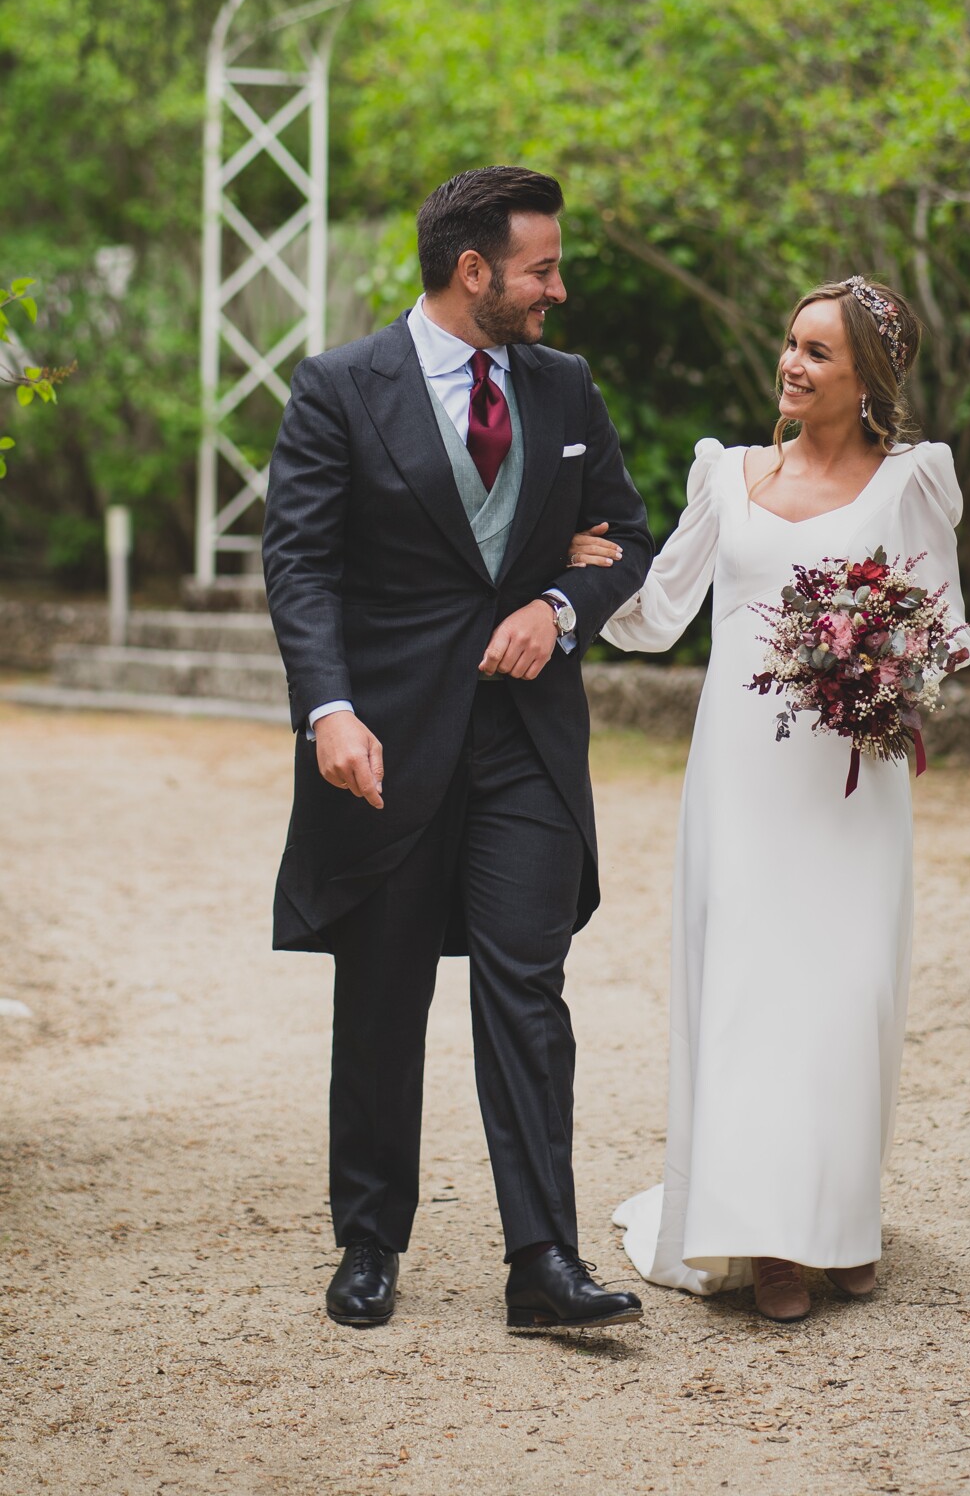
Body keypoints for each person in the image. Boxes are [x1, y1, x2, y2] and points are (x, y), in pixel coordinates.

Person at [262, 166, 654, 1333]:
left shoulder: (565, 387)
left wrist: (559, 606)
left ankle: (543, 1258)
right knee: (380, 994)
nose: (559, 288)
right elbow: (301, 564)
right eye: (541, 266)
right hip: (383, 737)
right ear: (473, 269)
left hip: (526, 744)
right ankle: (369, 1240)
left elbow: (624, 537)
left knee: (527, 986)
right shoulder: (339, 385)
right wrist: (328, 708)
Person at [571, 277, 970, 1322]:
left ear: (867, 378)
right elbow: (659, 616)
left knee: (846, 997)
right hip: (741, 775)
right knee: (749, 994)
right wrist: (580, 568)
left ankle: (838, 1221)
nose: (791, 363)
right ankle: (764, 1241)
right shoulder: (729, 475)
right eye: (788, 343)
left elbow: (946, 634)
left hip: (853, 782)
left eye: (817, 352)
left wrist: (879, 658)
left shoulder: (912, 483)